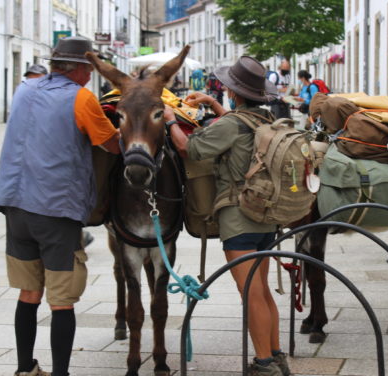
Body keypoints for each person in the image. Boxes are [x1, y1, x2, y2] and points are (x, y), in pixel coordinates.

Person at [0, 36, 120, 376]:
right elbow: (112, 145)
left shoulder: (25, 90)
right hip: (55, 208)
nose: (90, 76)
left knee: (29, 293)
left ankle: (25, 369)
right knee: (62, 299)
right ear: (79, 69)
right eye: (89, 69)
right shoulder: (81, 98)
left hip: (15, 205)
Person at [168, 56, 290, 376]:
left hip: (239, 217)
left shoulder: (230, 124)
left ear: (234, 93)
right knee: (261, 288)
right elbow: (237, 127)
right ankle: (276, 354)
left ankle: (263, 363)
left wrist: (169, 120)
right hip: (267, 215)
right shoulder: (263, 119)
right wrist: (212, 103)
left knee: (249, 292)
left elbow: (189, 149)